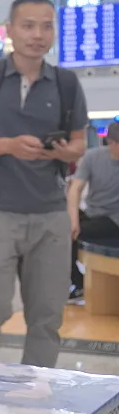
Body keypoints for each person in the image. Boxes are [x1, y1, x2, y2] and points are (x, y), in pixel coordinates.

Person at [0, 0, 87, 370]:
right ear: (9, 30)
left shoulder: (65, 83)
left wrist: (61, 152)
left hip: (50, 213)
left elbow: (80, 145)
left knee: (47, 314)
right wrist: (9, 145)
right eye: (28, 25)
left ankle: (38, 386)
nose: (38, 35)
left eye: (46, 26)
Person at [68, 122, 119, 301]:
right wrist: (73, 219)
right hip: (92, 213)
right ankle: (78, 281)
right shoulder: (92, 157)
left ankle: (78, 284)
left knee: (69, 235)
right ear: (111, 143)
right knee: (61, 228)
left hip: (113, 219)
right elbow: (75, 189)